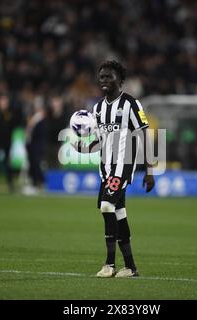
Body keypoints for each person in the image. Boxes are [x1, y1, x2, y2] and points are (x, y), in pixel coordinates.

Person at [73, 60, 155, 278]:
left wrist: (149, 170)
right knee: (119, 213)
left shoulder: (131, 104)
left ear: (120, 79)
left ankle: (109, 265)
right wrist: (82, 147)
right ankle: (130, 267)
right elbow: (100, 141)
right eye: (101, 77)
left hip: (123, 166)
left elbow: (144, 135)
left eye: (109, 76)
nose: (104, 81)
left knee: (106, 206)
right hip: (106, 170)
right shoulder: (97, 109)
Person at [25, 100, 47, 194]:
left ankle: (39, 182)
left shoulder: (41, 119)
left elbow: (39, 133)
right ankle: (35, 183)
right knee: (33, 164)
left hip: (37, 145)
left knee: (36, 164)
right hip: (31, 145)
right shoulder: (34, 118)